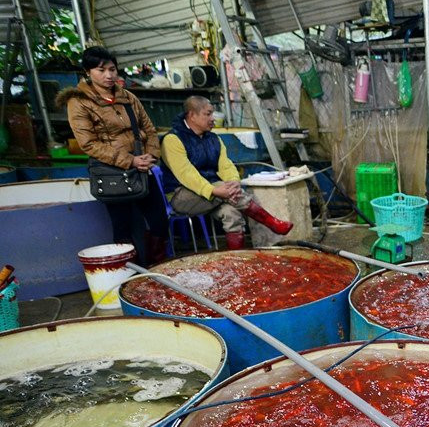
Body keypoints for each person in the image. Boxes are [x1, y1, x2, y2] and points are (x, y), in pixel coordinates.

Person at [58, 46, 169, 265]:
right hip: (112, 173)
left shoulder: (127, 97)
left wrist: (150, 156)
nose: (108, 75)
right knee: (122, 226)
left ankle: (159, 268)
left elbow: (149, 129)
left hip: (142, 168)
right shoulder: (78, 102)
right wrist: (130, 161)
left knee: (159, 220)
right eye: (101, 70)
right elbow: (89, 144)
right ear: (87, 72)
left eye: (112, 69)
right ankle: (132, 275)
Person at [160, 96, 294, 250]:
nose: (213, 118)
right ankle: (272, 222)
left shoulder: (213, 139)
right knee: (229, 193)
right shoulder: (173, 139)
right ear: (192, 115)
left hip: (213, 194)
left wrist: (234, 181)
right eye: (208, 114)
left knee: (231, 213)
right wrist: (214, 190)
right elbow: (186, 174)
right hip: (180, 195)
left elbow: (225, 165)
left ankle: (236, 258)